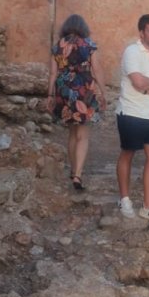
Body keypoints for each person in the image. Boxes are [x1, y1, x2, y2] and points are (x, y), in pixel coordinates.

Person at [116, 14, 149, 225]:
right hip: (130, 111)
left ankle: (148, 207)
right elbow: (138, 82)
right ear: (141, 33)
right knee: (127, 154)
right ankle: (125, 199)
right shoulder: (131, 52)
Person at [46, 14, 106, 192]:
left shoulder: (58, 46)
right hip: (84, 92)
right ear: (83, 27)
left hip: (64, 92)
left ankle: (73, 171)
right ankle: (78, 175)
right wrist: (103, 92)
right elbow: (97, 70)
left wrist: (49, 95)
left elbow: (52, 73)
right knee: (83, 136)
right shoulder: (88, 44)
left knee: (72, 133)